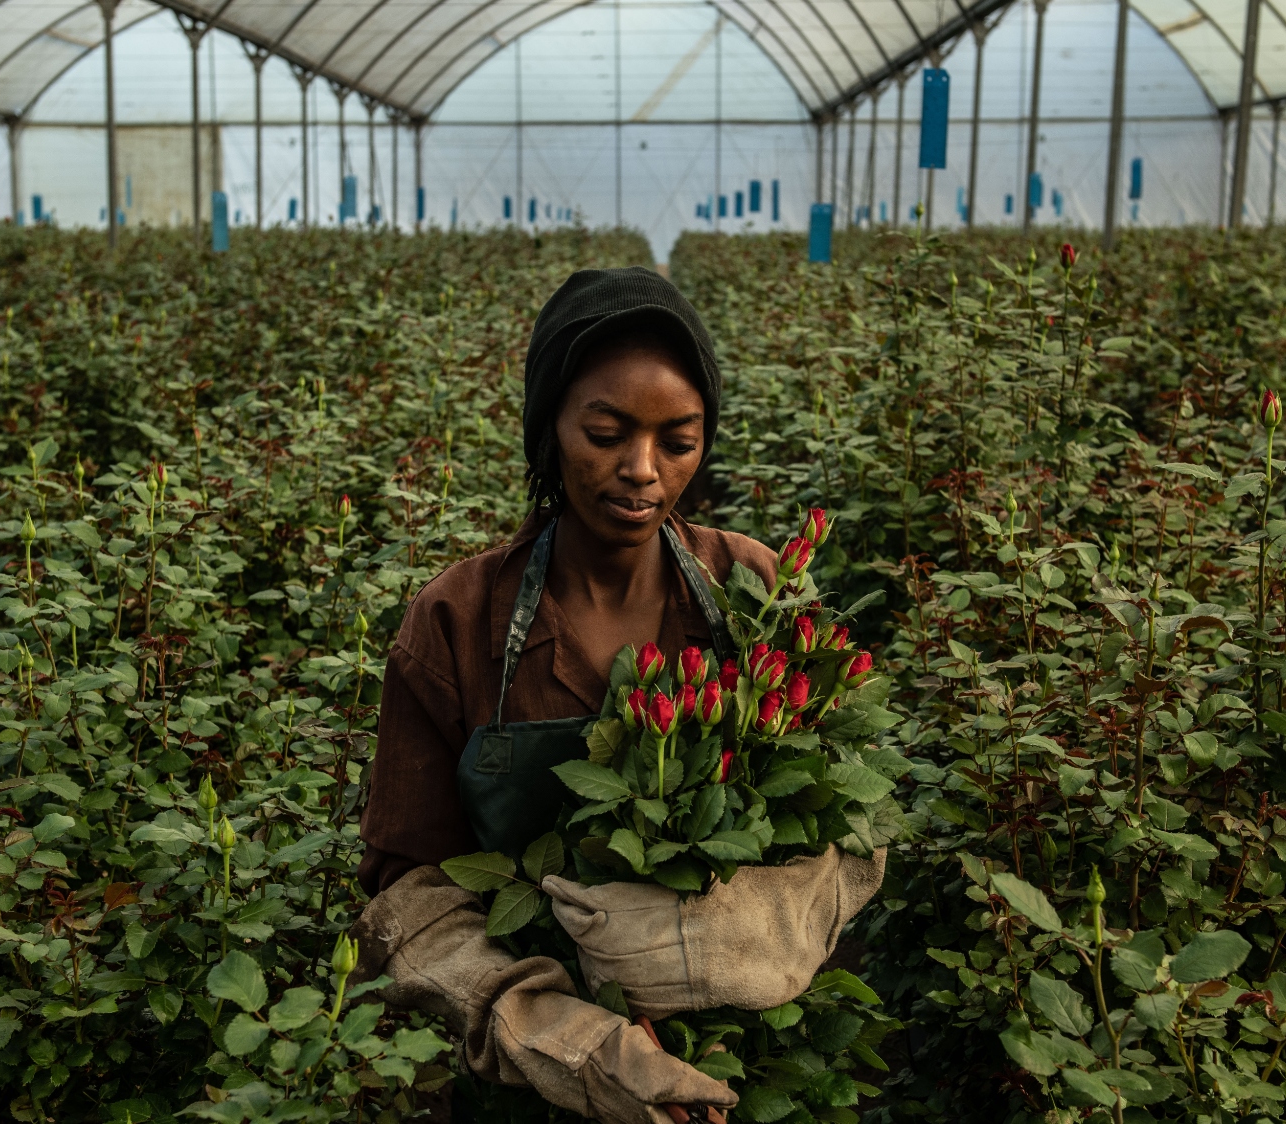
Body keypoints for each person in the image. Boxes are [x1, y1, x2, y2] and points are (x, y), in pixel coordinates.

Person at [351, 268, 885, 1124]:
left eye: (678, 442)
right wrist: (567, 1040)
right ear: (549, 429)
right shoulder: (456, 620)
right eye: (605, 432)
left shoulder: (753, 592)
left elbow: (833, 832)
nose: (641, 471)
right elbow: (405, 889)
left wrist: (737, 955)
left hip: (740, 1072)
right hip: (523, 1084)